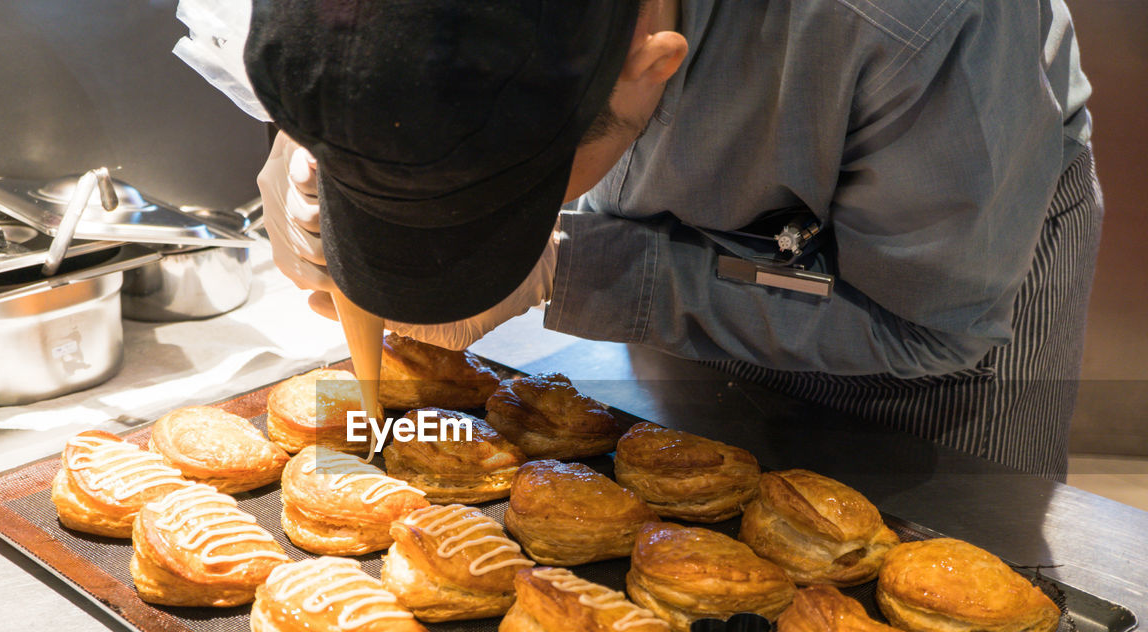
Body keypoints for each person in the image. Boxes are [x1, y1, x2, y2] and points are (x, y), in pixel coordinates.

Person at [244, 0, 1102, 480]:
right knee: (686, 485)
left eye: (504, 199)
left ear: (653, 67)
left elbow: (923, 326)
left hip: (937, 274)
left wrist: (572, 267)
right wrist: (319, 143)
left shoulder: (911, 22)